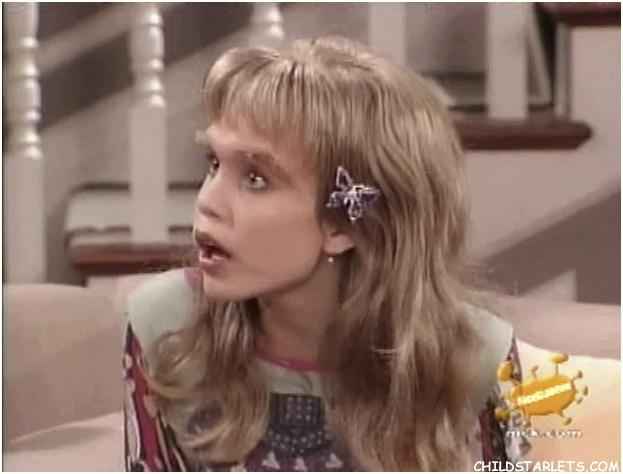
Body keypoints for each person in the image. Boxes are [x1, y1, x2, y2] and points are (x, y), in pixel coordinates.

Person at [123, 36, 530, 471]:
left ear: (343, 226)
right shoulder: (166, 330)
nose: (207, 201)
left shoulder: (478, 359)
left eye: (256, 179)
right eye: (214, 163)